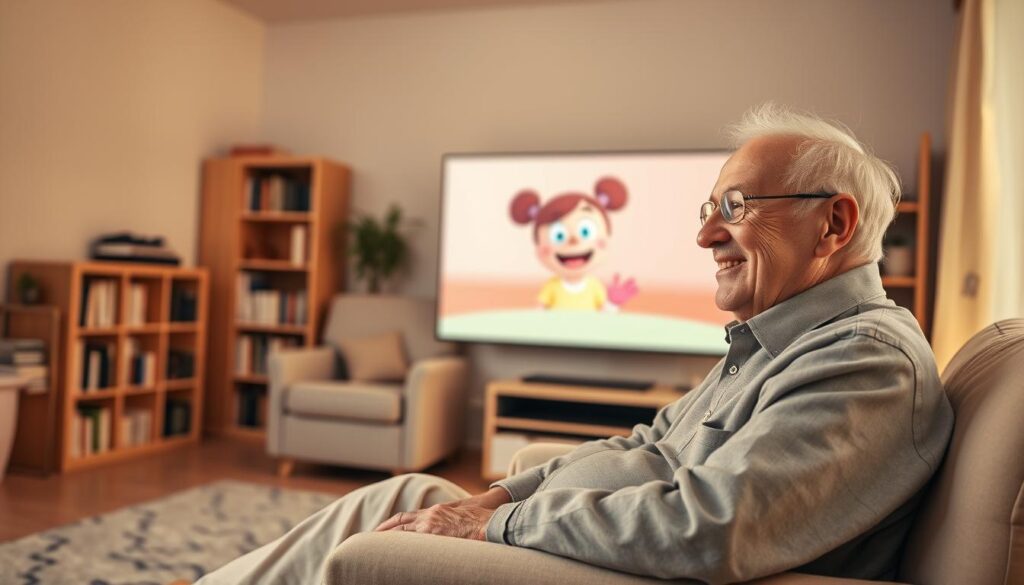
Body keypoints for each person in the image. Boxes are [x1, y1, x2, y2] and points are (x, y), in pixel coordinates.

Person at [196, 104, 954, 584]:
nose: (704, 233)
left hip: (652, 573)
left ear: (834, 224)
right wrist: (500, 495)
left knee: (385, 542)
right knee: (408, 495)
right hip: (612, 546)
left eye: (734, 206)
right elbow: (650, 439)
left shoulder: (864, 360)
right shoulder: (772, 343)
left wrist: (498, 521)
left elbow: (714, 529)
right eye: (706, 207)